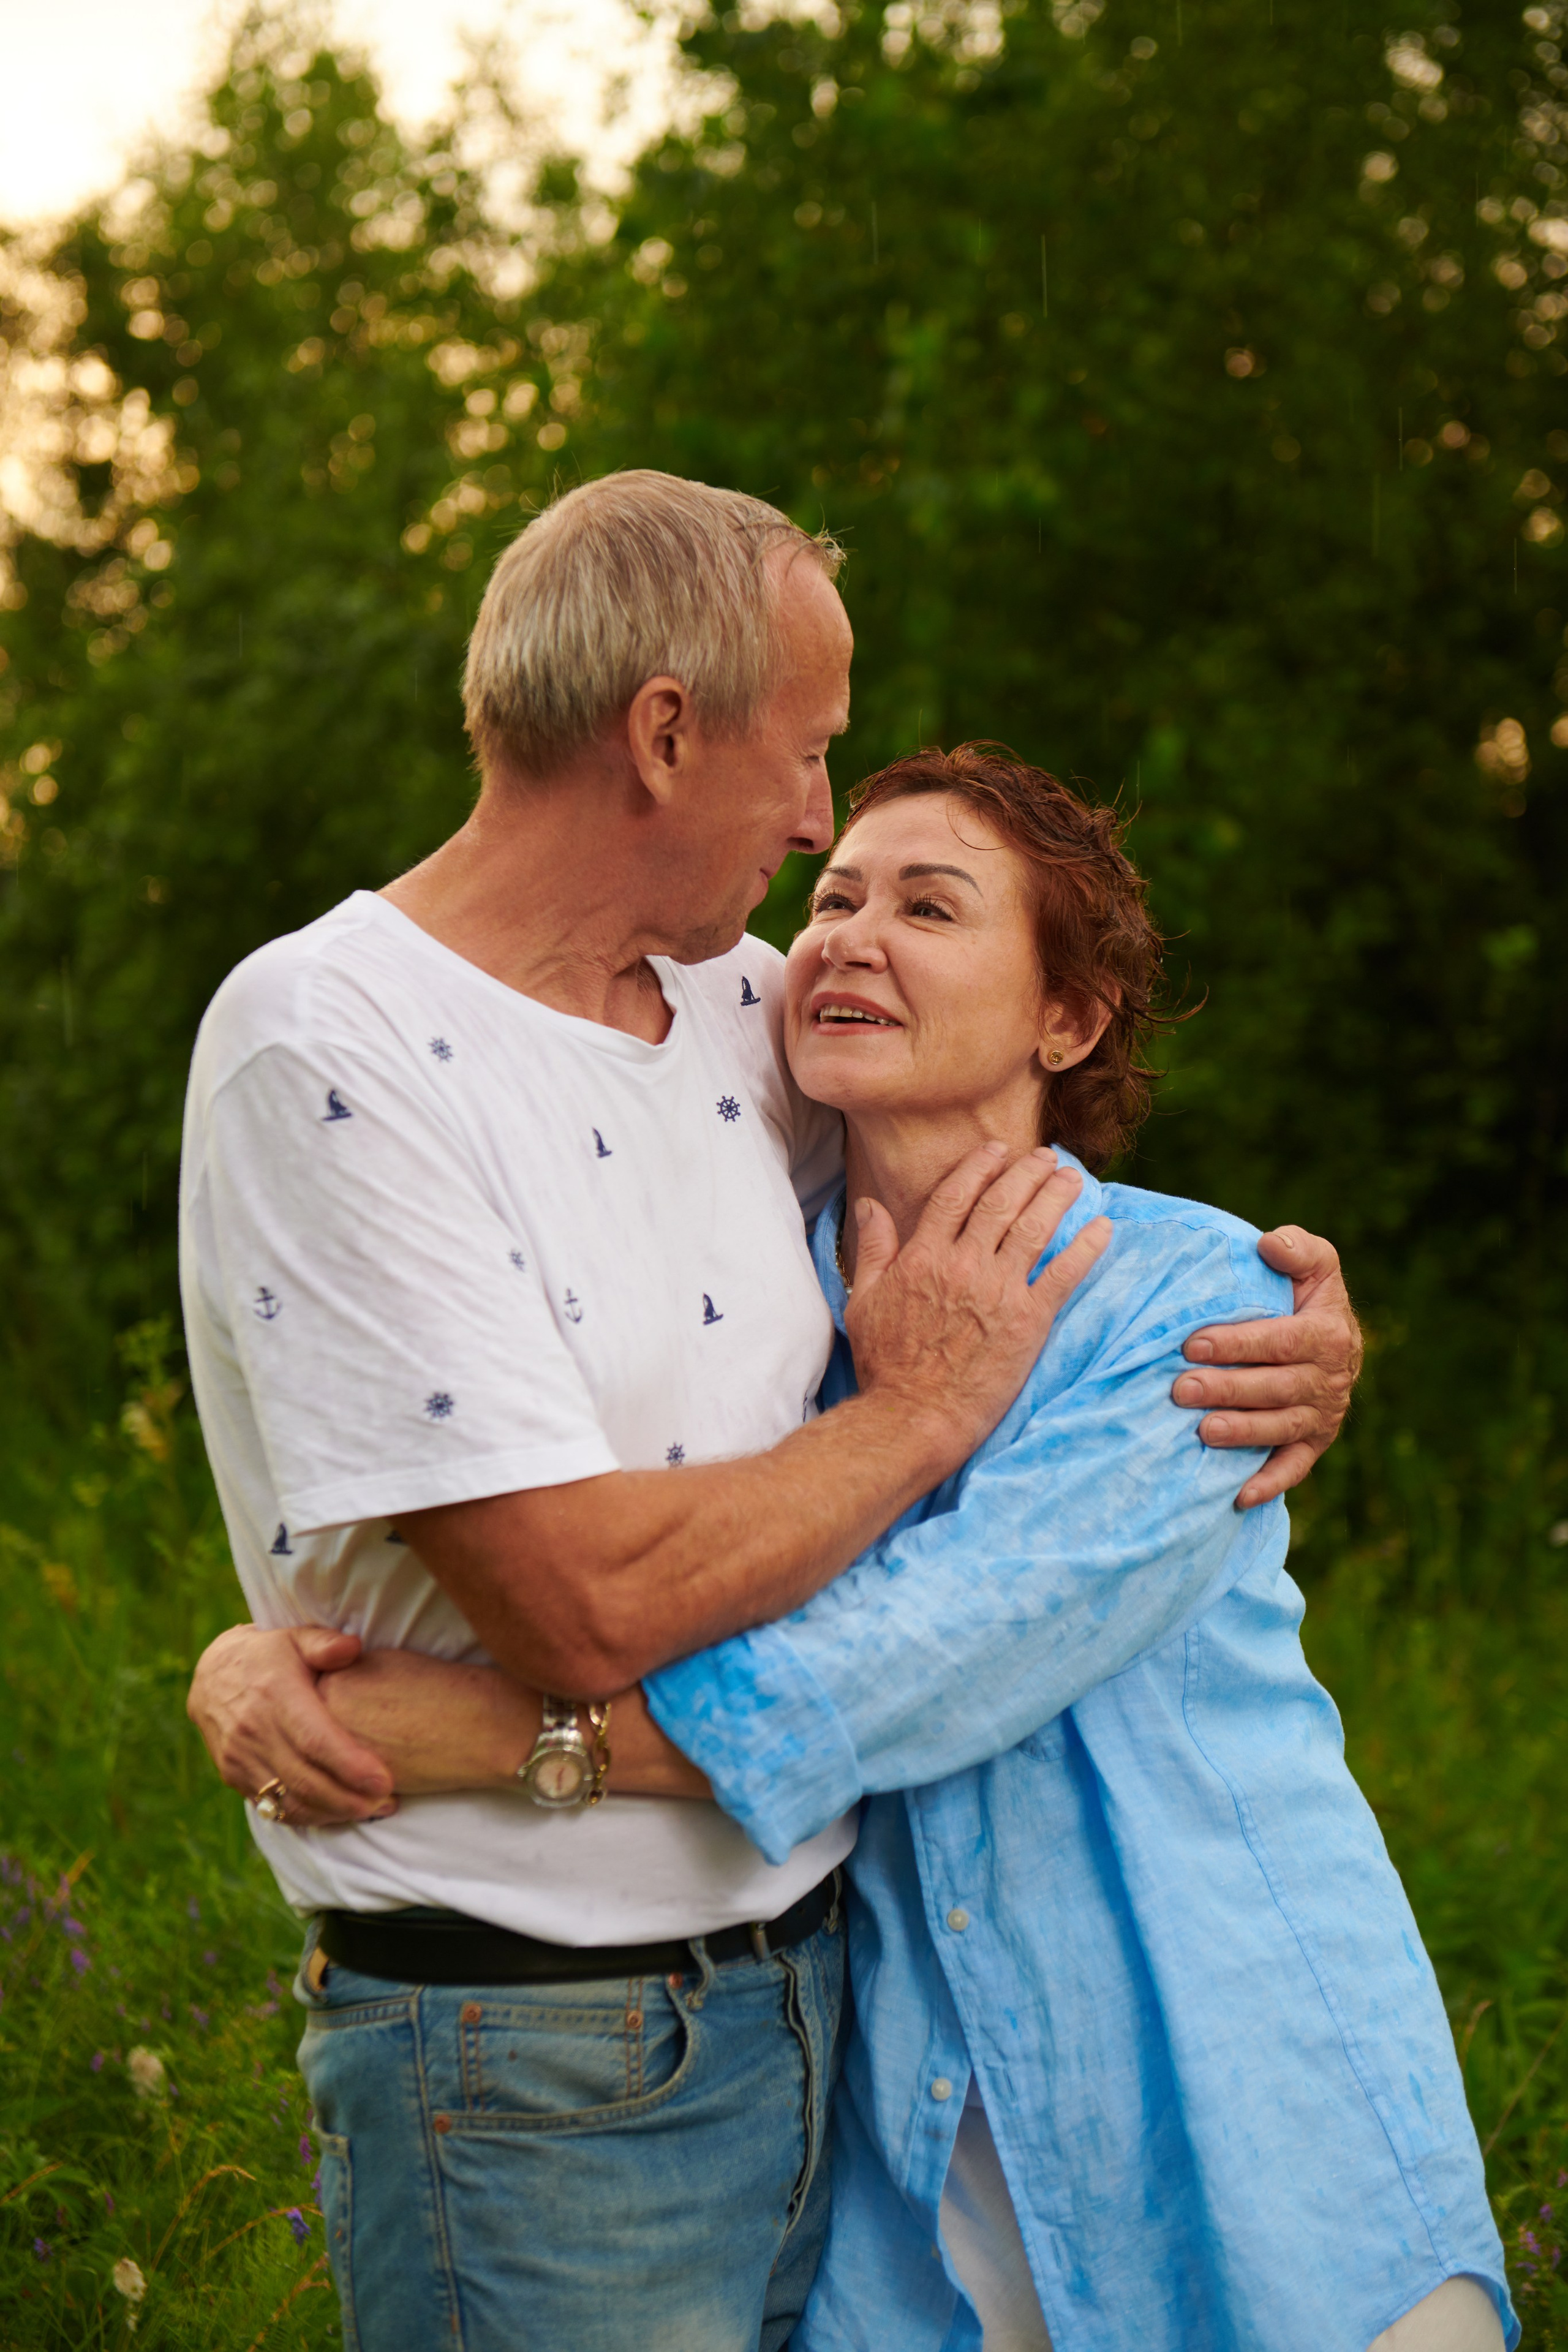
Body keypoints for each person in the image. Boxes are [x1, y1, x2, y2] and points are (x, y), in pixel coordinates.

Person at [182, 473, 1360, 2352]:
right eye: (812, 769)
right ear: (665, 733)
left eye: (906, 882)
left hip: (868, 2029)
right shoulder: (334, 1043)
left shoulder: (744, 1017)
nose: (827, 836)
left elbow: (982, 1184)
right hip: (541, 2055)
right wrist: (918, 1417)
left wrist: (1291, 1322)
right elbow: (562, 1581)